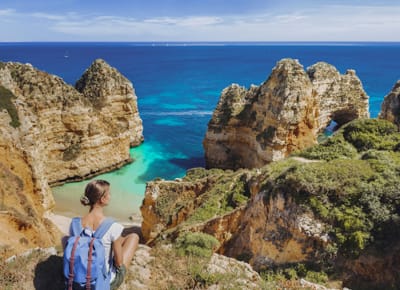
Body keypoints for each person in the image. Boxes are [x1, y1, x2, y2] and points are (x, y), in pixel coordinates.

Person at [68, 179, 139, 290]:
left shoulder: (74, 224)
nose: (110, 196)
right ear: (102, 199)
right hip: (102, 284)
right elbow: (119, 262)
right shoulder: (112, 226)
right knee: (133, 237)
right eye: (108, 193)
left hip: (78, 280)